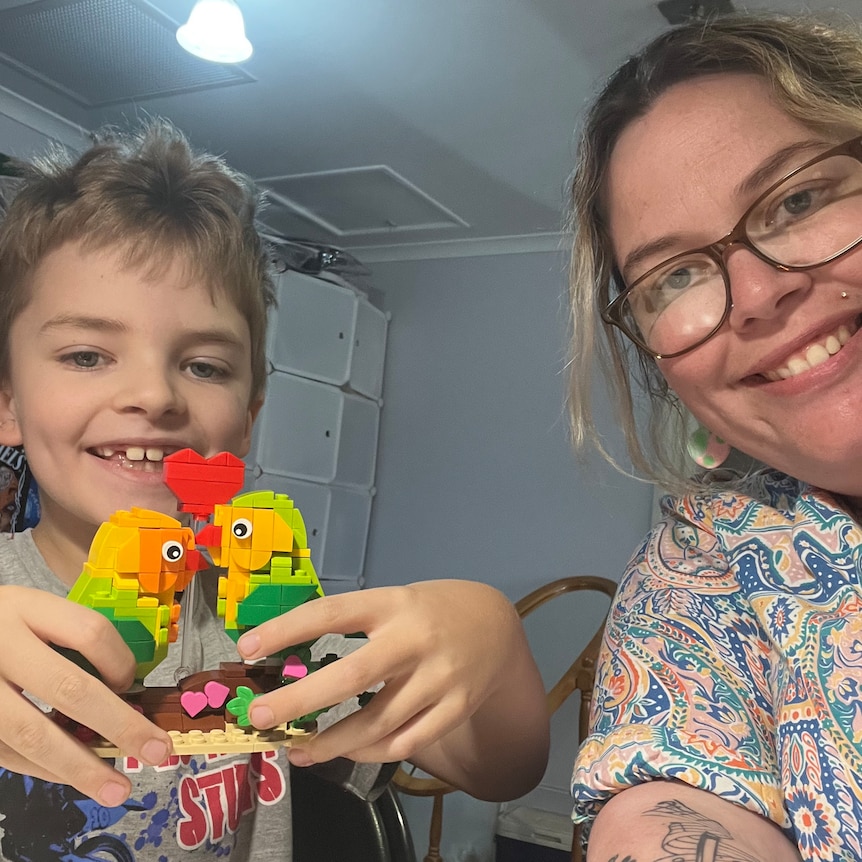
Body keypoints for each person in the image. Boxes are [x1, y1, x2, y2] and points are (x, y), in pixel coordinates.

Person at [0, 120, 549, 859]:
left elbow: (504, 770)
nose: (154, 394)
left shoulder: (281, 628)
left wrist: (494, 633)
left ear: (249, 420)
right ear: (8, 401)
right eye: (88, 354)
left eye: (204, 366)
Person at [565, 9, 862, 861]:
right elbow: (663, 803)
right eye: (679, 275)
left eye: (797, 199)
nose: (758, 295)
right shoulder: (703, 566)